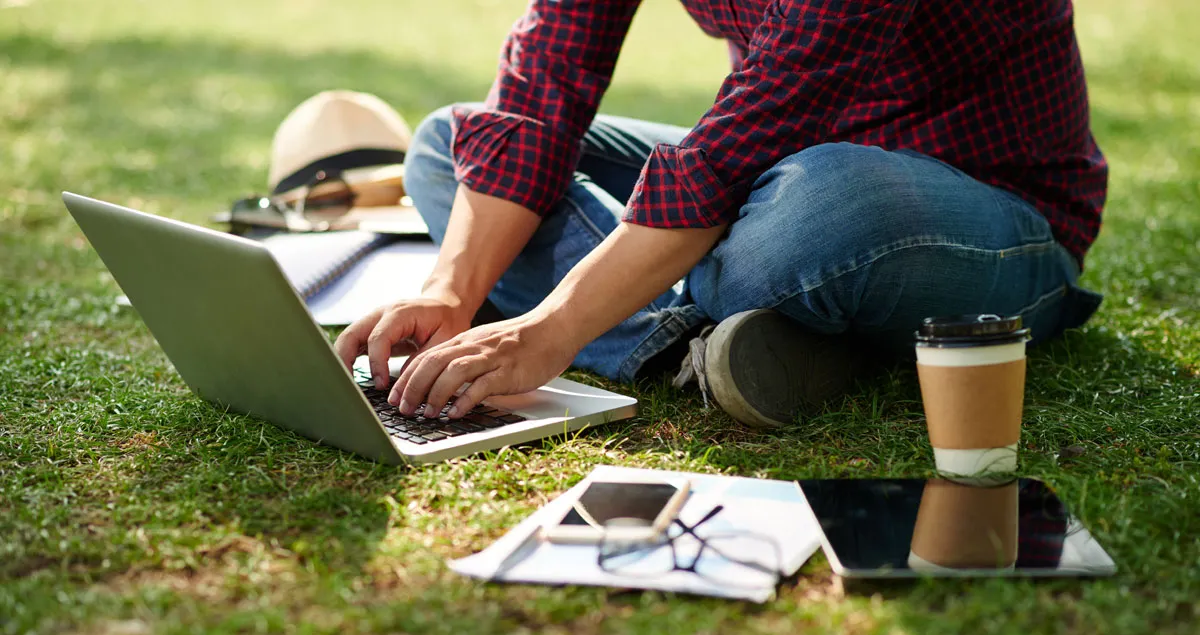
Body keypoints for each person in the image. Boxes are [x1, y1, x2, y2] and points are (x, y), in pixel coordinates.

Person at [334, 0, 1106, 428]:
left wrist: (554, 326)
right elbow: (543, 86)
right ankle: (701, 344)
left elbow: (729, 159)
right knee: (450, 144)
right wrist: (452, 289)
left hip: (985, 217)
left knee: (815, 210)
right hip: (777, 168)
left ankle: (701, 315)